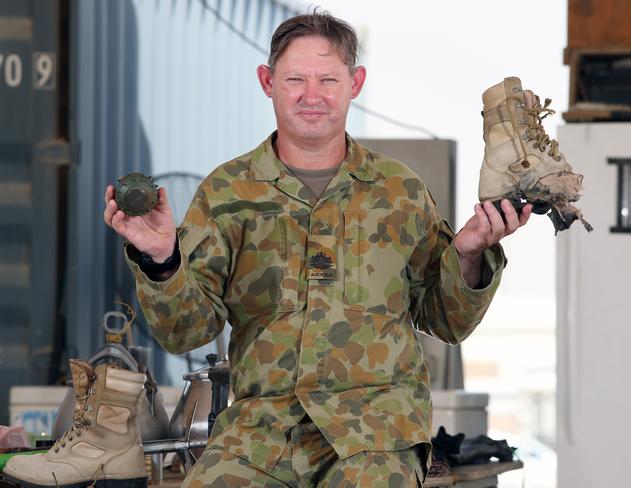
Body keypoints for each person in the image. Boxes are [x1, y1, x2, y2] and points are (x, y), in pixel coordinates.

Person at [104, 11, 531, 488]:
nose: (312, 96)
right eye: (295, 80)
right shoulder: (226, 193)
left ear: (356, 82)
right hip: (259, 436)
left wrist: (469, 253)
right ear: (267, 82)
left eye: (328, 79)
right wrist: (163, 261)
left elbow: (446, 320)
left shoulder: (399, 191)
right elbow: (187, 332)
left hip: (375, 433)